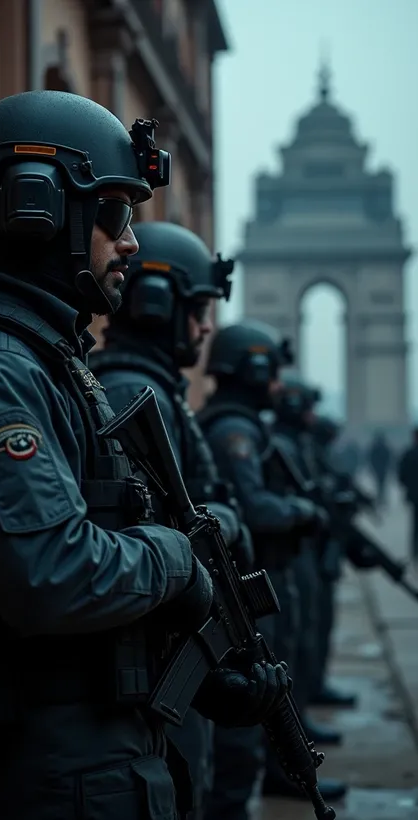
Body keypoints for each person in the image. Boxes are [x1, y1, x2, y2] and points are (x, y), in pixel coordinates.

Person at [0, 90, 288, 820]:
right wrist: (176, 558)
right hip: (57, 771)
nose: (131, 241)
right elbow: (53, 573)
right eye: (115, 214)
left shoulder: (51, 360)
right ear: (38, 209)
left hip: (102, 755)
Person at [88, 221, 252, 818]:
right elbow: (152, 534)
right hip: (159, 668)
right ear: (159, 302)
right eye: (200, 307)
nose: (207, 326)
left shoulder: (151, 389)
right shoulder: (136, 392)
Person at [198, 322, 346, 809]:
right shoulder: (235, 429)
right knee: (251, 711)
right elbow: (255, 507)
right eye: (272, 372)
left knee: (285, 671)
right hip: (249, 581)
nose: (278, 386)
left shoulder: (243, 424)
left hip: (265, 571)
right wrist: (304, 512)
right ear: (253, 368)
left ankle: (284, 767)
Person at [273, 374, 348, 799]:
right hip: (282, 558)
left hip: (296, 554)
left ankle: (297, 735)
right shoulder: (241, 433)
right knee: (288, 650)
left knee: (303, 642)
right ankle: (284, 763)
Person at [309, 415, 357, 709]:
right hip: (301, 551)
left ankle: (314, 687)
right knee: (301, 636)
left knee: (316, 626)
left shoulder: (310, 448)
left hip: (315, 547)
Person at [397, 428, 418, 564]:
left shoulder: (409, 454)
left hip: (415, 495)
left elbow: (401, 475)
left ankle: (415, 551)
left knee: (416, 524)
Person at [367, 432, 393, 507]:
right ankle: (381, 499)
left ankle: (380, 499)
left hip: (379, 469)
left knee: (380, 485)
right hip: (381, 469)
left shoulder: (375, 448)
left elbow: (371, 459)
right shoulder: (385, 448)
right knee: (382, 485)